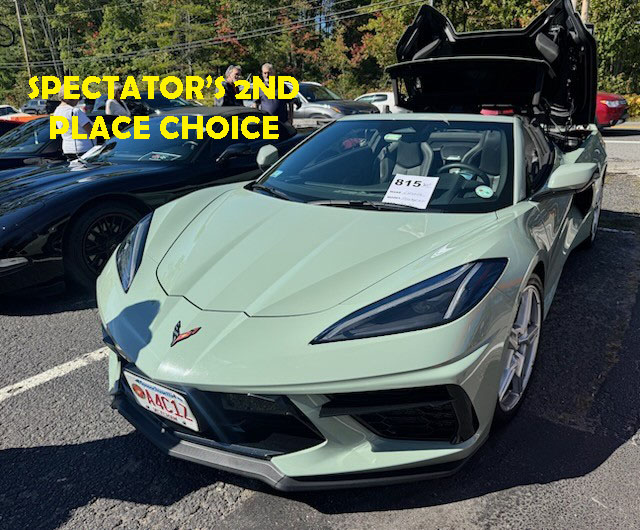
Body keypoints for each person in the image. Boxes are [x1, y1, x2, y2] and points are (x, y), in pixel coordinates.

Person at [52, 85, 94, 160]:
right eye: (79, 97)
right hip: (83, 148)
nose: (78, 101)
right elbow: (91, 131)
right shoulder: (75, 111)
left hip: (67, 149)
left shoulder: (57, 112)